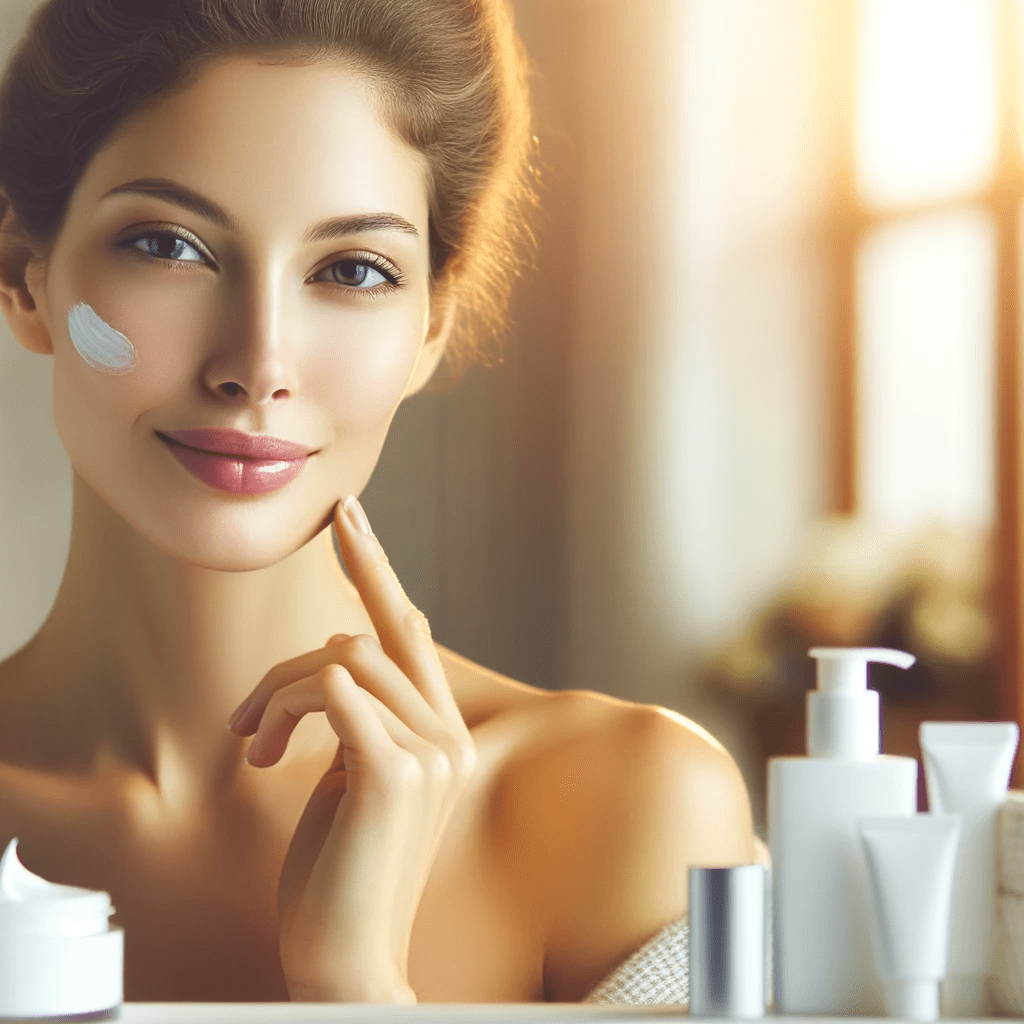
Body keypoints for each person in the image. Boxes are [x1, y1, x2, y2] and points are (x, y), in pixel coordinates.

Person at [0, 0, 758, 1005]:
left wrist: (353, 981)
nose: (259, 364)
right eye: (170, 245)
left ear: (430, 329)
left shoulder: (629, 810)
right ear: (24, 276)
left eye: (353, 269)